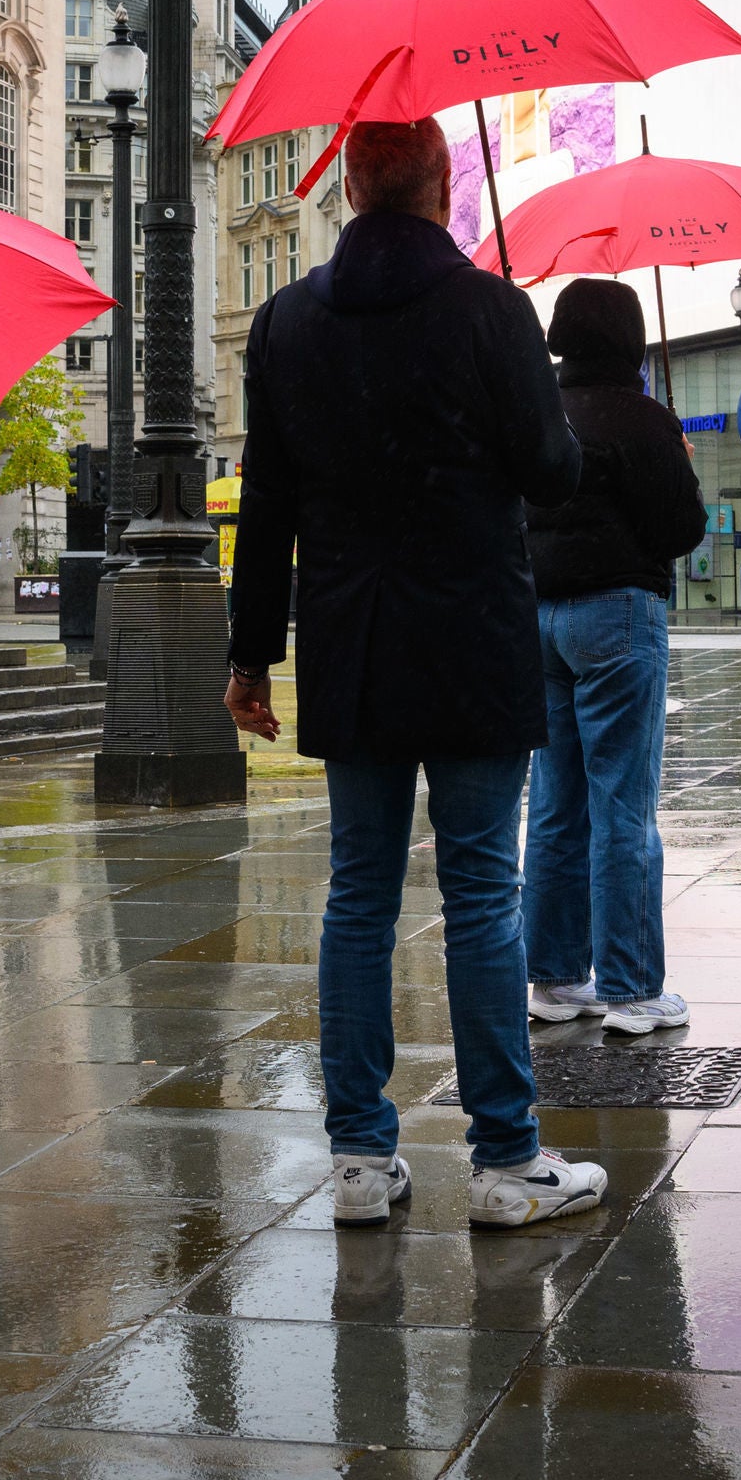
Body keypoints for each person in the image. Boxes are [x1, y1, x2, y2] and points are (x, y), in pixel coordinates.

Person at [223, 116, 611, 1233]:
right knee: (482, 893)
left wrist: (252, 655)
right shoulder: (491, 309)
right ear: (444, 184)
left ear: (348, 187)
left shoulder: (287, 321)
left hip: (352, 643)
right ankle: (502, 1160)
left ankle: (357, 1158)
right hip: (474, 638)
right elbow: (549, 471)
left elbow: (269, 508)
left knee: (357, 895)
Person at [521, 279, 707, 1038]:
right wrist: (680, 461)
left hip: (538, 620)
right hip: (618, 618)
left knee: (557, 804)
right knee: (624, 805)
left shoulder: (540, 415)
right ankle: (631, 989)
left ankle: (556, 977)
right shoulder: (644, 420)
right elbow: (680, 530)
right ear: (631, 342)